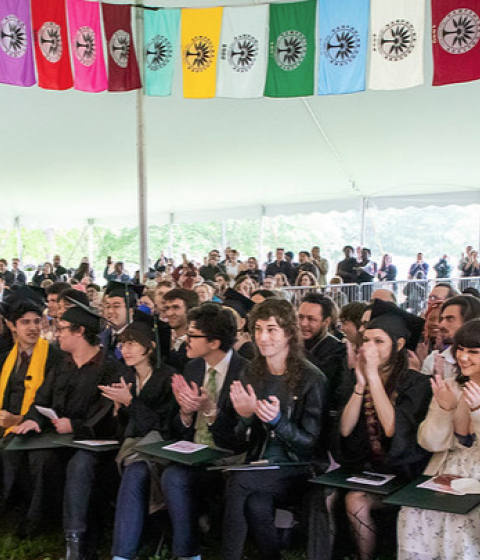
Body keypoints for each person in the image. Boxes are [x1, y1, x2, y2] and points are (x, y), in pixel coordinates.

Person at [13, 300, 124, 559]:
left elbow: (107, 414)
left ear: (80, 331)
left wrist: (75, 425)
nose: (57, 333)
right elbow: (42, 399)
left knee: (80, 464)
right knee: (40, 457)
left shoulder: (110, 368)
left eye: (62, 328)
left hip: (96, 443)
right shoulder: (61, 364)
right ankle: (41, 522)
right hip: (58, 439)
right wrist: (33, 420)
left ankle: (77, 541)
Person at [221, 298, 328, 560]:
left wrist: (278, 422)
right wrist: (245, 417)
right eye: (257, 329)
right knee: (257, 503)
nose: (262, 337)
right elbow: (236, 438)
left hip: (297, 467)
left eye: (271, 329)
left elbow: (311, 444)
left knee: (239, 481)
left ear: (289, 333)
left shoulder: (312, 378)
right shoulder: (251, 372)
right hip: (259, 462)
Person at [340, 300, 432, 560]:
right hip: (370, 471)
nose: (369, 347)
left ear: (399, 345)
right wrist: (360, 384)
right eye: (366, 340)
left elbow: (393, 429)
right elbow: (345, 431)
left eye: (379, 341)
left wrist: (372, 378)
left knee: (356, 500)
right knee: (344, 498)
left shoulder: (416, 383)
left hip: (407, 473)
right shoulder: (355, 378)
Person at [161, 303, 248, 560]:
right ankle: (188, 553)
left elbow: (239, 439)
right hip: (193, 452)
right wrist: (185, 414)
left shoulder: (246, 373)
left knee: (178, 477)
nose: (185, 340)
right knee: (170, 474)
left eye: (192, 335)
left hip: (229, 456)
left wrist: (210, 410)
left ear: (214, 342)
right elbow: (179, 430)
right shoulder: (194, 368)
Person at [398, 319, 480, 559]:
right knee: (413, 511)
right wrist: (445, 411)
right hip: (447, 467)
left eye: (473, 352)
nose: (463, 357)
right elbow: (430, 443)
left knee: (462, 519)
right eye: (460, 349)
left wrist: (477, 412)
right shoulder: (451, 386)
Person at [100, 312, 176, 560]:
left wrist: (130, 403)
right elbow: (124, 427)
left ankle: (122, 554)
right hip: (130, 447)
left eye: (132, 343)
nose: (125, 349)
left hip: (162, 448)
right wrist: (118, 410)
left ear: (150, 347)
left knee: (137, 471)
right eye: (122, 344)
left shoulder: (168, 377)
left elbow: (164, 425)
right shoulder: (124, 376)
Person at [0, 294, 63, 532]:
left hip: (41, 427)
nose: (33, 328)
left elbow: (57, 402)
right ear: (12, 325)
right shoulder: (5, 358)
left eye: (37, 321)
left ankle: (33, 521)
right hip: (7, 424)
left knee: (32, 456)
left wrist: (22, 420)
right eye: (25, 322)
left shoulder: (55, 358)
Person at [298, 293, 347, 413]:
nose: (304, 324)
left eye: (311, 319)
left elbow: (323, 384)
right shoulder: (296, 343)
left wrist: (296, 349)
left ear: (326, 321)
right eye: (300, 317)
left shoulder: (338, 350)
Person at [422, 295, 480, 380]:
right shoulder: (433, 361)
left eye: (449, 319)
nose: (441, 325)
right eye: (442, 319)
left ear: (469, 321)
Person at [163, 288, 199, 373]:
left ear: (190, 310)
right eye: (167, 308)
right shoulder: (163, 338)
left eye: (176, 308)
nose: (169, 313)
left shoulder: (198, 343)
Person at [101, 282, 137, 360]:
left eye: (116, 306)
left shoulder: (139, 337)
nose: (110, 311)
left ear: (131, 310)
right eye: (107, 306)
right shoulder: (101, 335)